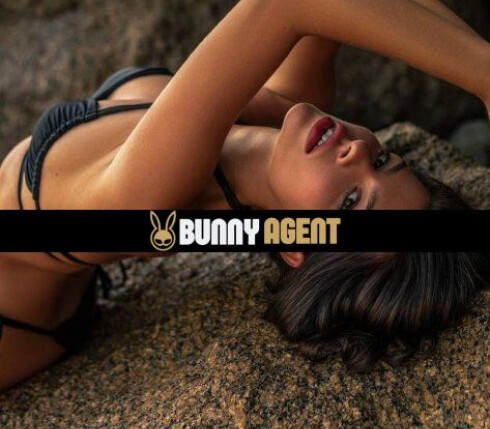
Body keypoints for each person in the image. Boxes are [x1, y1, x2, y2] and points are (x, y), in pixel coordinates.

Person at [0, 0, 489, 389]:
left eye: (350, 202)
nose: (357, 152)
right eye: (382, 161)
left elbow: (284, 5)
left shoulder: (149, 197)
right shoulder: (285, 118)